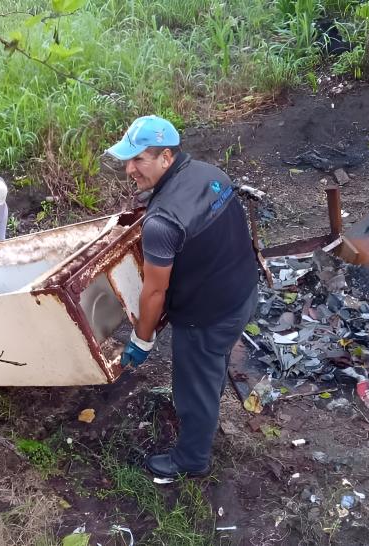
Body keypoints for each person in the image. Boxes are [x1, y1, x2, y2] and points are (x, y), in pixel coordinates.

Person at [106, 115, 259, 479]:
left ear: (166, 158)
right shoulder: (211, 175)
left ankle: (191, 460)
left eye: (139, 159)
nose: (129, 169)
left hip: (207, 316)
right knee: (211, 367)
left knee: (193, 388)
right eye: (127, 160)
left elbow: (155, 290)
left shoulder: (163, 222)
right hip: (243, 292)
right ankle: (209, 398)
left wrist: (141, 340)